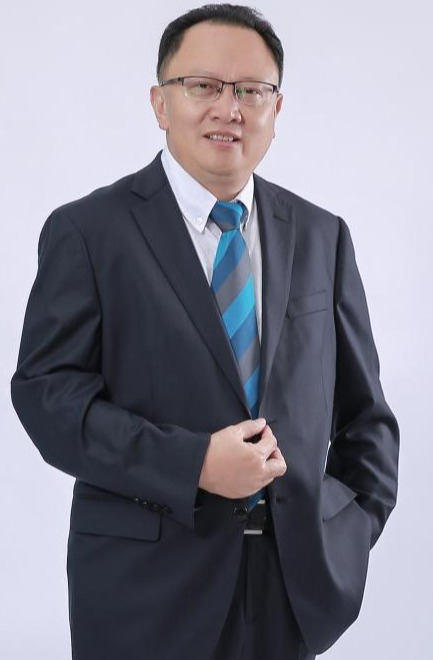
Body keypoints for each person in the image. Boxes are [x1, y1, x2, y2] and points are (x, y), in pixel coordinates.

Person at [11, 4, 399, 660]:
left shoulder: (322, 235)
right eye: (204, 86)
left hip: (290, 591)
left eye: (251, 90)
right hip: (144, 595)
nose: (229, 108)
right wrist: (192, 464)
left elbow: (367, 417)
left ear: (277, 108)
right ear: (160, 103)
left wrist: (348, 529)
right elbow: (47, 398)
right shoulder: (90, 231)